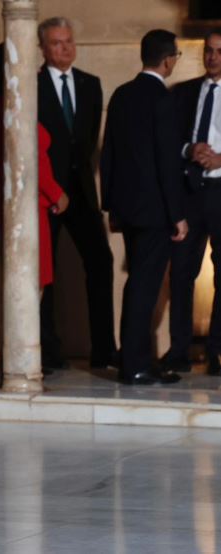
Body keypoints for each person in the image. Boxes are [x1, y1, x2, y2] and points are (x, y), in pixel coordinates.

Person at [101, 30, 187, 385]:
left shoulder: (121, 95)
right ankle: (135, 364)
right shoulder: (162, 99)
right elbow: (166, 163)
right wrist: (177, 215)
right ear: (168, 60)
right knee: (143, 287)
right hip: (154, 214)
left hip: (129, 210)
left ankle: (137, 359)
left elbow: (108, 156)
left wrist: (111, 207)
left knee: (137, 284)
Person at [36, 17, 117, 370]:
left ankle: (104, 349)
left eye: (69, 41)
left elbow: (85, 145)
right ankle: (47, 352)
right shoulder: (31, 84)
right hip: (44, 194)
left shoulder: (91, 84)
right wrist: (51, 189)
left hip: (82, 192)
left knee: (101, 263)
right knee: (44, 274)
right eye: (56, 42)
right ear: (42, 47)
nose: (65, 48)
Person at [0, 44, 69, 375]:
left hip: (27, 204)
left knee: (29, 287)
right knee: (27, 287)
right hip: (28, 207)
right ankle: (20, 363)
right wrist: (57, 193)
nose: (37, 72)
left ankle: (19, 360)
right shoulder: (11, 105)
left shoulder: (2, 104)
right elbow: (27, 157)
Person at [164, 28, 221, 376]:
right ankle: (179, 350)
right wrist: (190, 150)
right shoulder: (183, 92)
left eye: (219, 51)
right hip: (190, 191)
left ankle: (215, 352)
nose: (213, 57)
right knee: (182, 273)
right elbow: (167, 139)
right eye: (209, 51)